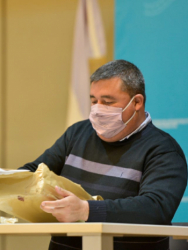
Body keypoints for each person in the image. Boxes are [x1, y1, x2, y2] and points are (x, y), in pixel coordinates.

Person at [20, 60, 187, 250]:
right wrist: (3, 180)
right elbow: (36, 172)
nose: (98, 109)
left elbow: (155, 208)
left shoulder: (163, 150)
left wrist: (86, 210)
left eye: (107, 102)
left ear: (137, 102)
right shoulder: (77, 134)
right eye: (93, 101)